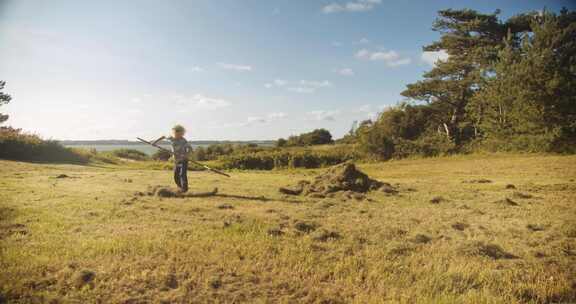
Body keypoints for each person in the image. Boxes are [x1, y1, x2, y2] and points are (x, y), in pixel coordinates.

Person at [153, 125, 192, 193]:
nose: (178, 134)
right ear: (174, 132)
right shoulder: (171, 138)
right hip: (176, 160)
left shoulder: (183, 141)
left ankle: (184, 189)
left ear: (182, 133)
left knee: (182, 174)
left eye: (180, 133)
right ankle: (180, 188)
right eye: (176, 132)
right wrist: (154, 142)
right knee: (176, 176)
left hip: (183, 160)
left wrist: (186, 155)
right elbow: (163, 136)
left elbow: (190, 149)